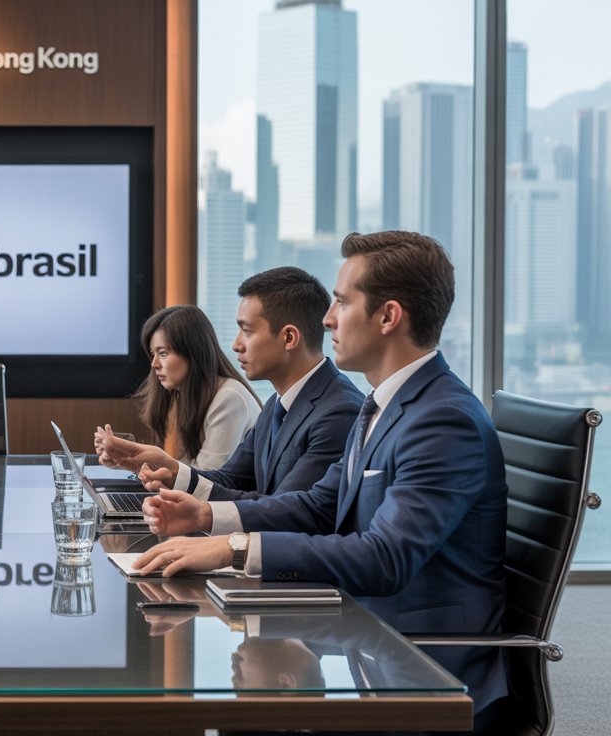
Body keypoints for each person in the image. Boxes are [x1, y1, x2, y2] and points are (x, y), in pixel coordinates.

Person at [133, 231, 508, 722]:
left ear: (388, 317)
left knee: (231, 714)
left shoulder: (442, 419)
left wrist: (234, 548)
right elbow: (317, 505)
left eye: (342, 302)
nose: (328, 318)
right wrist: (208, 518)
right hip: (367, 642)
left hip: (426, 672)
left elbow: (385, 558)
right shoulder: (382, 405)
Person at [96, 267, 362, 500]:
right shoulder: (277, 405)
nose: (236, 344)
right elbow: (230, 479)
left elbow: (287, 510)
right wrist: (171, 469)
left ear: (289, 338)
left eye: (246, 331)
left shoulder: (338, 411)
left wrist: (202, 516)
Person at [101, 305, 260, 471]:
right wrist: (127, 460)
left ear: (194, 352)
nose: (154, 364)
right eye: (153, 354)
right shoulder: (192, 396)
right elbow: (192, 472)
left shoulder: (229, 398)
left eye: (163, 353)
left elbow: (207, 476)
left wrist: (138, 459)